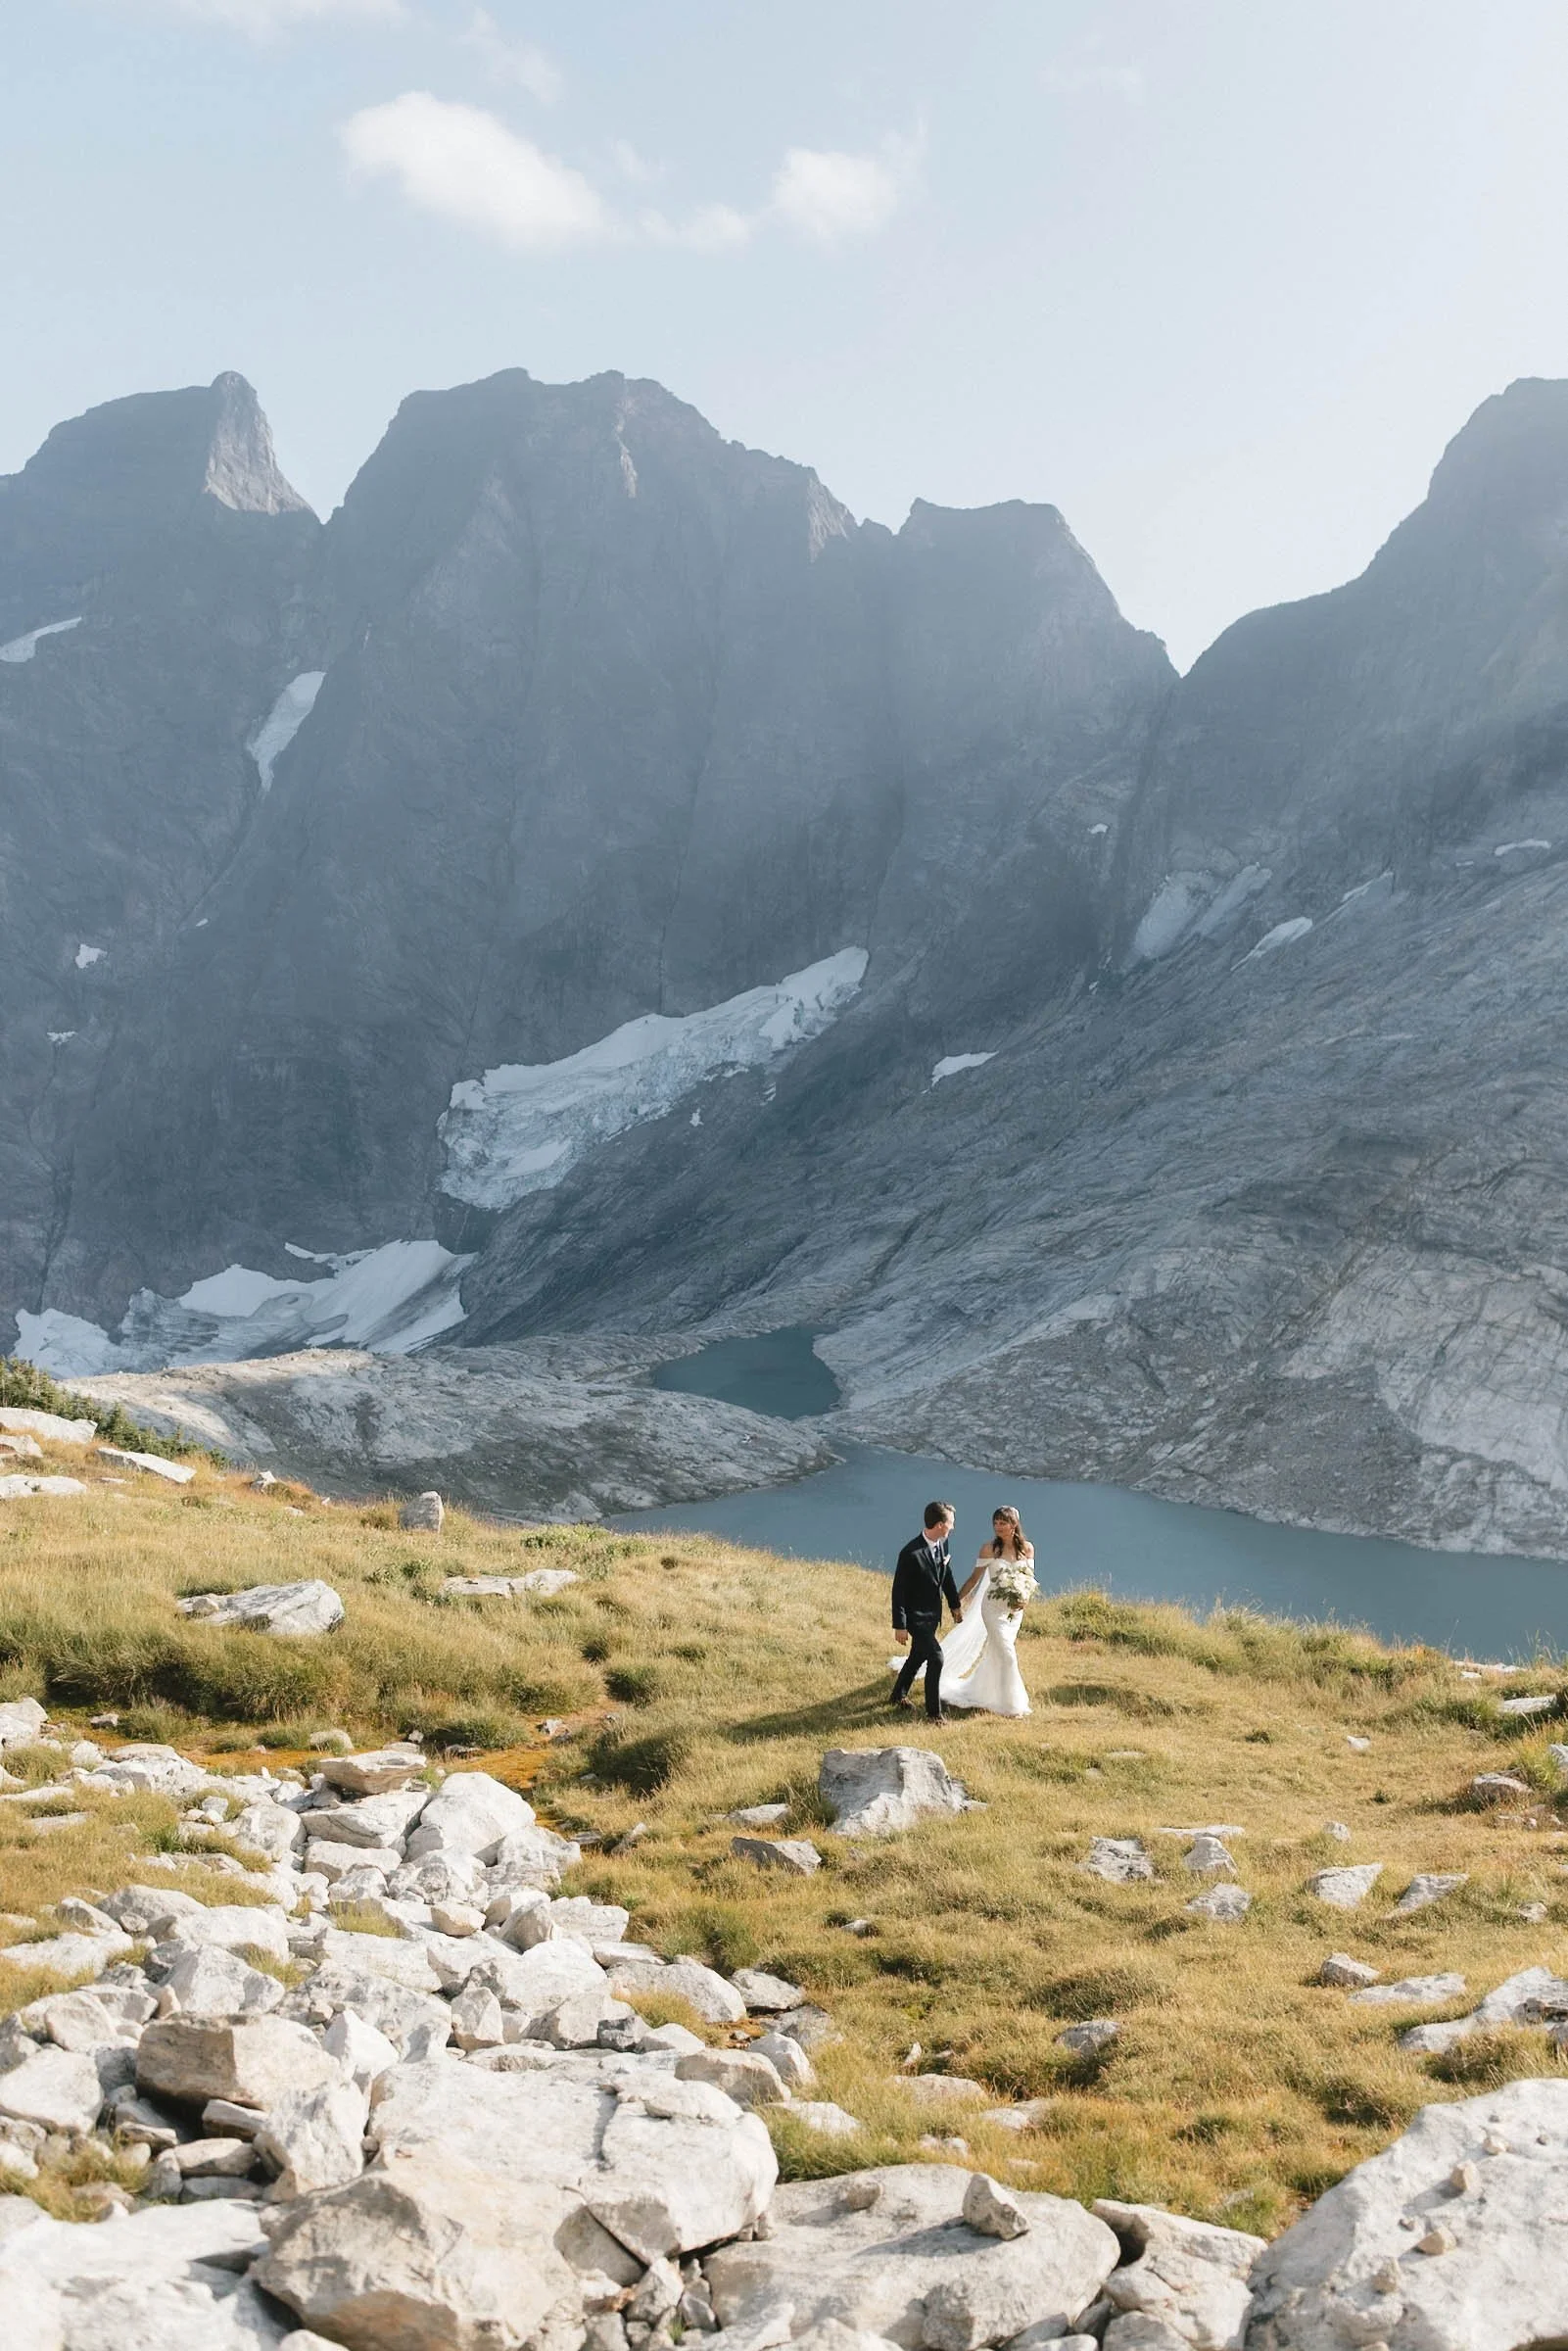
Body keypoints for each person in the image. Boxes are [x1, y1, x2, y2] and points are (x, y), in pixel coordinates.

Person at [937, 1504, 1034, 1717]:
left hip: (1014, 1612)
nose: (998, 1527)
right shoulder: (989, 1549)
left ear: (1014, 1524)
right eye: (995, 1523)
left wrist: (1024, 1599)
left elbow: (1028, 1579)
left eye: (1003, 1523)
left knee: (999, 1652)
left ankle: (987, 1692)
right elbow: (974, 1579)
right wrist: (955, 1601)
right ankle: (1012, 1706)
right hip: (992, 1608)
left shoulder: (1027, 1548)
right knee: (1008, 1654)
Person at [890, 1501, 962, 1721]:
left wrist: (954, 1605)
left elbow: (946, 1576)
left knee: (918, 1655)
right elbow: (898, 1592)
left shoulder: (943, 1544)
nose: (953, 1527)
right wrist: (900, 1626)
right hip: (915, 1618)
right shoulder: (911, 1553)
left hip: (933, 1616)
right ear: (940, 1525)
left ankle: (897, 1695)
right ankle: (934, 1714)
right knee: (936, 1657)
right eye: (951, 1523)